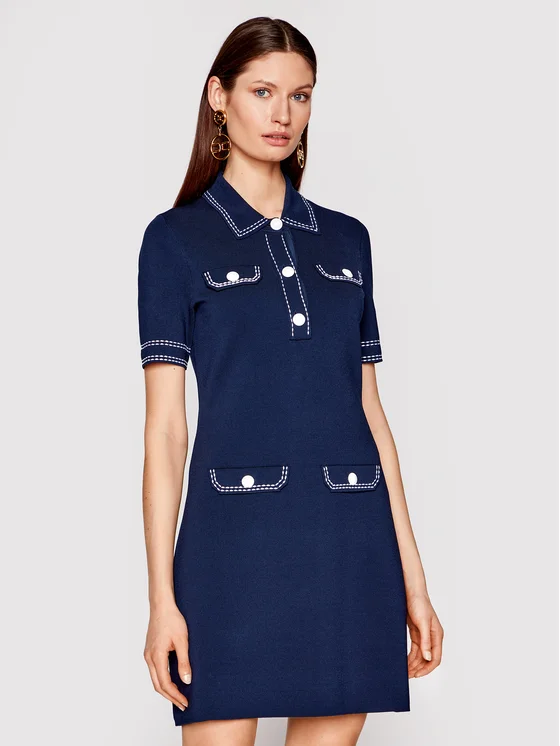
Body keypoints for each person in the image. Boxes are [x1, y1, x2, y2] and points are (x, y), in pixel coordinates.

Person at [137, 16, 444, 746]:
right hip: (230, 549)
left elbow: (370, 415)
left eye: (300, 95)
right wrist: (161, 600)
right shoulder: (174, 241)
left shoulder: (348, 240)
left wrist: (415, 580)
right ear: (219, 96)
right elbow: (167, 431)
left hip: (348, 544)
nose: (283, 114)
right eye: (263, 91)